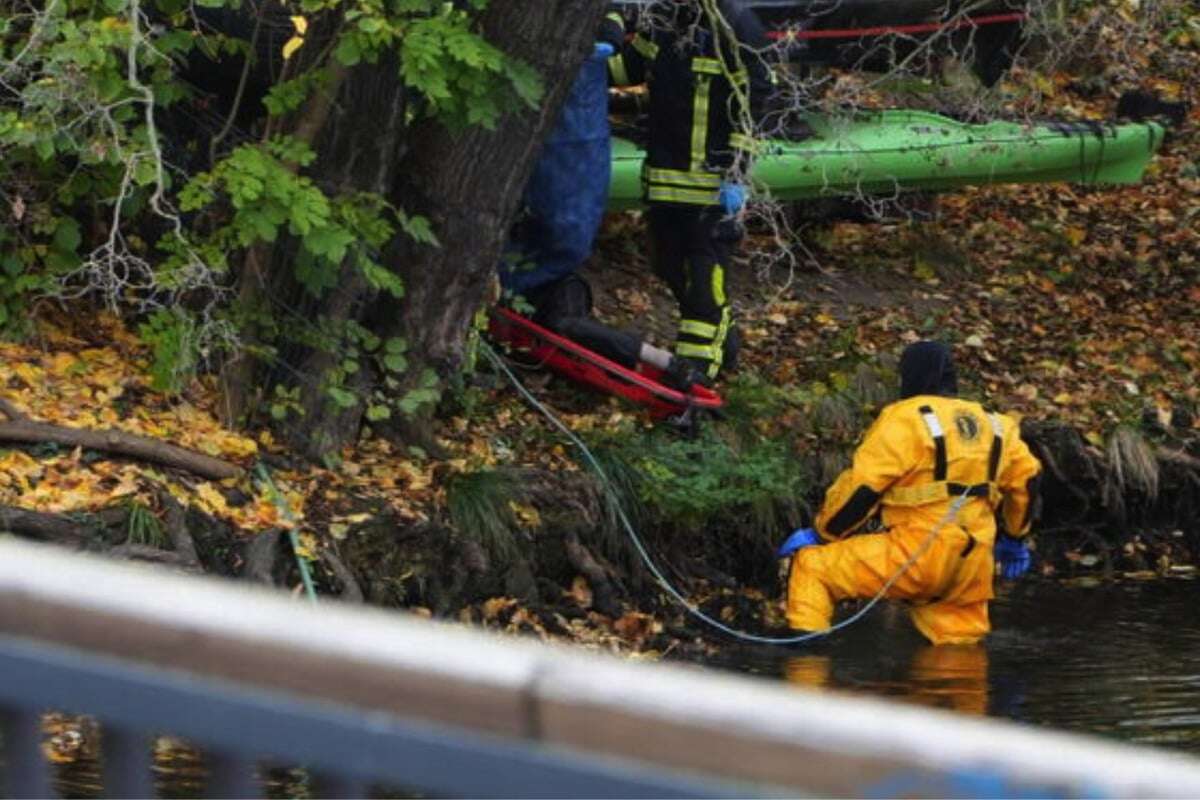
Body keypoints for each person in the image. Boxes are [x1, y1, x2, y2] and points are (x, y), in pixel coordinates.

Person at [782, 341, 1042, 645]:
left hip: (916, 554)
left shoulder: (904, 418)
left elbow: (863, 489)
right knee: (958, 651)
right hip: (972, 566)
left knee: (812, 567)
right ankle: (960, 688)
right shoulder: (998, 424)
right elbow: (1029, 483)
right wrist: (1014, 539)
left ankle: (804, 675)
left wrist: (822, 534)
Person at [609, 0, 773, 387]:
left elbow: (757, 98)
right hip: (666, 179)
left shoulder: (736, 27)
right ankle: (725, 342)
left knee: (703, 281)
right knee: (668, 265)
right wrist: (593, 43)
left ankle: (695, 375)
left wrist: (737, 171)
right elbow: (626, 68)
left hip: (712, 187)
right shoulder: (665, 21)